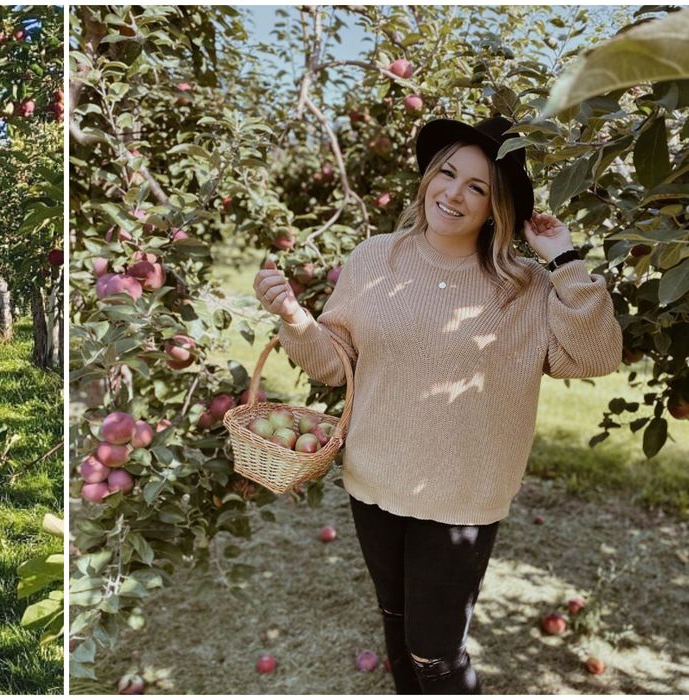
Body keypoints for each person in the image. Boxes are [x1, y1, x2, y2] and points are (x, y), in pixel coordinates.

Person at [253, 116, 622, 693]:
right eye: (446, 173)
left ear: (495, 206)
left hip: (462, 499)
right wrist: (296, 318)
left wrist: (566, 259)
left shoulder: (523, 286)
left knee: (436, 654)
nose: (452, 193)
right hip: (373, 482)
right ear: (428, 177)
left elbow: (595, 355)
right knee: (397, 626)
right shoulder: (376, 258)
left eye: (476, 186)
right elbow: (332, 364)